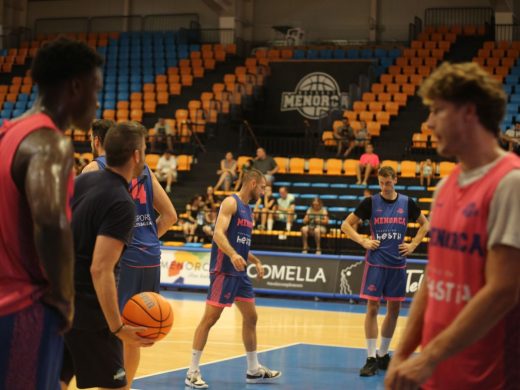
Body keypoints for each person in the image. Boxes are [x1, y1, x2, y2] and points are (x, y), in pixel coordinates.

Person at [386, 62, 520, 390]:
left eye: (438, 111)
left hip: (489, 376)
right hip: (436, 373)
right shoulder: (445, 187)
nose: (429, 123)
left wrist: (430, 356)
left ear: (469, 113)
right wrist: (402, 354)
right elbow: (434, 277)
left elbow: (504, 290)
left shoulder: (510, 183)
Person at [0, 37, 102, 389]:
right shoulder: (50, 142)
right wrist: (64, 297)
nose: (98, 100)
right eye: (95, 88)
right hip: (23, 309)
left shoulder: (7, 133)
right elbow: (50, 222)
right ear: (76, 86)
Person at [70, 120, 178, 388]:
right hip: (150, 257)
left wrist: (121, 243)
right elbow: (170, 216)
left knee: (112, 330)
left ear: (97, 141)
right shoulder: (145, 171)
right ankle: (124, 386)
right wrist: (147, 238)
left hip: (120, 260)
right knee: (136, 330)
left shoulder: (94, 169)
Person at [185, 169, 281, 388]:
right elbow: (218, 233)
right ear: (253, 183)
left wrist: (254, 260)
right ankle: (192, 372)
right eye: (263, 187)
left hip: (240, 272)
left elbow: (240, 244)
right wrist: (233, 254)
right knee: (209, 320)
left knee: (251, 317)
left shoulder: (248, 210)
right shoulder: (231, 203)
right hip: (224, 270)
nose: (264, 191)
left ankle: (253, 369)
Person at [341, 166, 429, 377]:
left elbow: (425, 225)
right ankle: (370, 357)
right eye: (381, 183)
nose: (384, 187)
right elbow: (346, 225)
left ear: (395, 180)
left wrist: (413, 245)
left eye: (388, 183)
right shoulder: (370, 202)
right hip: (376, 263)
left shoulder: (407, 202)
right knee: (372, 307)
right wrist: (362, 240)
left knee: (395, 310)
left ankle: (382, 354)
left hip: (397, 263)